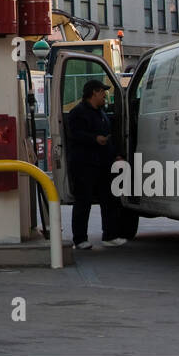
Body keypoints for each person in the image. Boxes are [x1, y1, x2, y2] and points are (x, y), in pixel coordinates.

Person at [64, 78, 126, 250]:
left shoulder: (101, 113)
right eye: (102, 92)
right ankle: (80, 239)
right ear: (93, 93)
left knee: (109, 200)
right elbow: (75, 135)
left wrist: (116, 156)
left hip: (102, 164)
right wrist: (94, 138)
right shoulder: (78, 113)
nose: (105, 95)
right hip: (84, 165)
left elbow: (108, 139)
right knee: (83, 201)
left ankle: (110, 235)